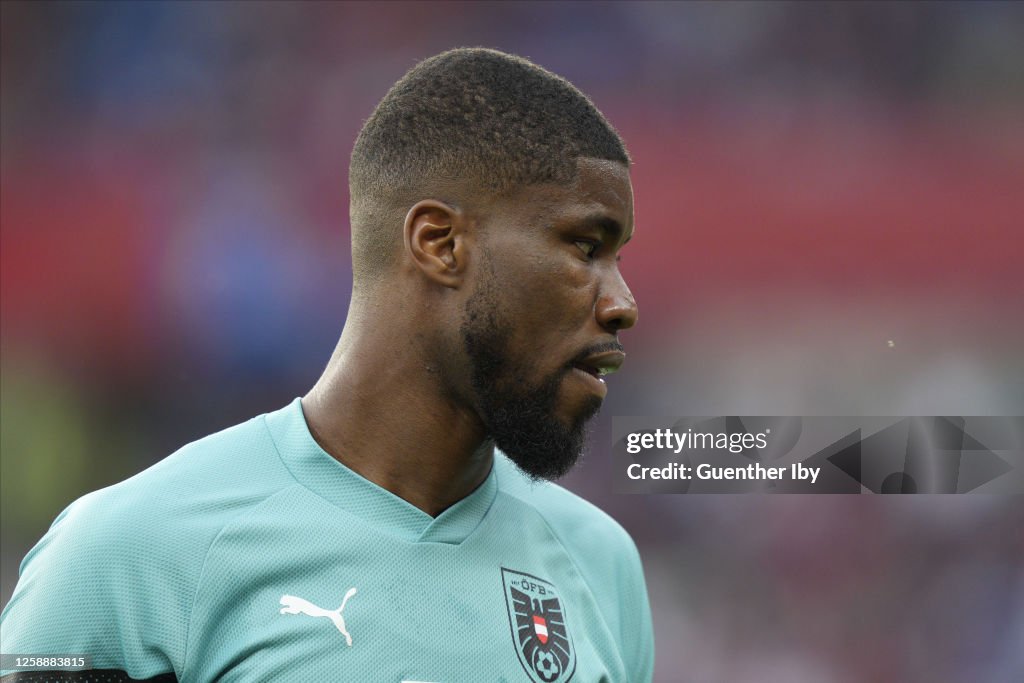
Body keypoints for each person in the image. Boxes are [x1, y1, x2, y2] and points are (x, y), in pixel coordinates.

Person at [1, 48, 653, 682]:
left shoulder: (600, 563)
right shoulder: (131, 552)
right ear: (440, 244)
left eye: (618, 257)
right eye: (585, 247)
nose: (622, 303)